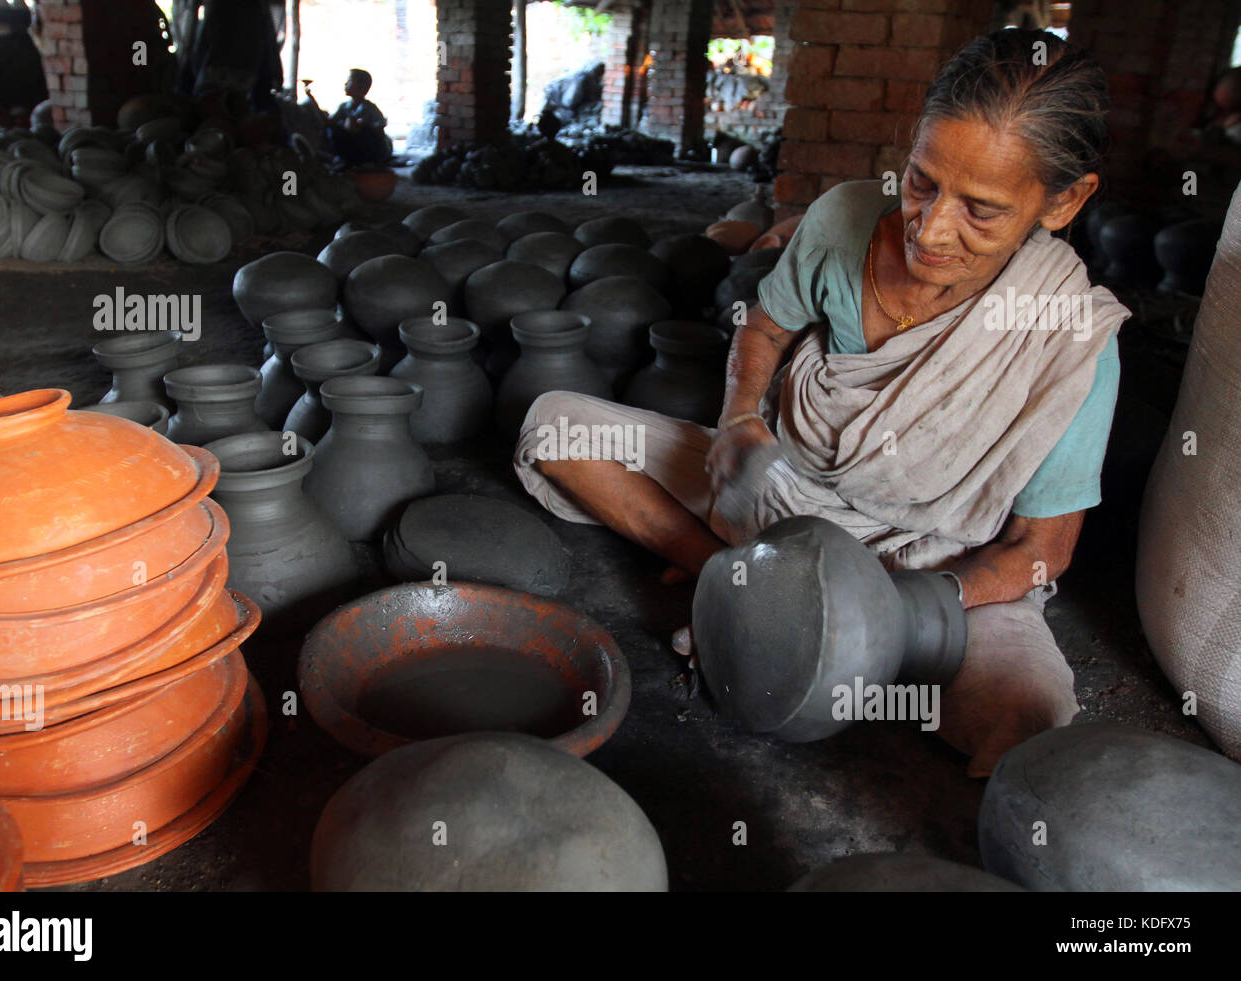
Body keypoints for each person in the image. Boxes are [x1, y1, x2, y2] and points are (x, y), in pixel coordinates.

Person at [513, 29, 1129, 777]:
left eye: (981, 209)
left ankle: (791, 614)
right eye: (924, 181)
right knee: (557, 426)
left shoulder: (1069, 334)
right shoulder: (842, 218)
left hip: (933, 564)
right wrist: (740, 416)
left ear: (1064, 201)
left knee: (1031, 724)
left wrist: (883, 611)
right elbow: (763, 327)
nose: (931, 229)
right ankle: (731, 575)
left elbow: (1040, 554)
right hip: (782, 499)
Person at [326, 68, 392, 170]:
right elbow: (330, 122)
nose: (345, 84)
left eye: (349, 81)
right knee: (334, 130)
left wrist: (366, 125)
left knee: (365, 132)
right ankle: (345, 160)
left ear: (362, 87)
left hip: (368, 149)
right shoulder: (343, 107)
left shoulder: (370, 108)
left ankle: (368, 162)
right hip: (351, 146)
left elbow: (380, 131)